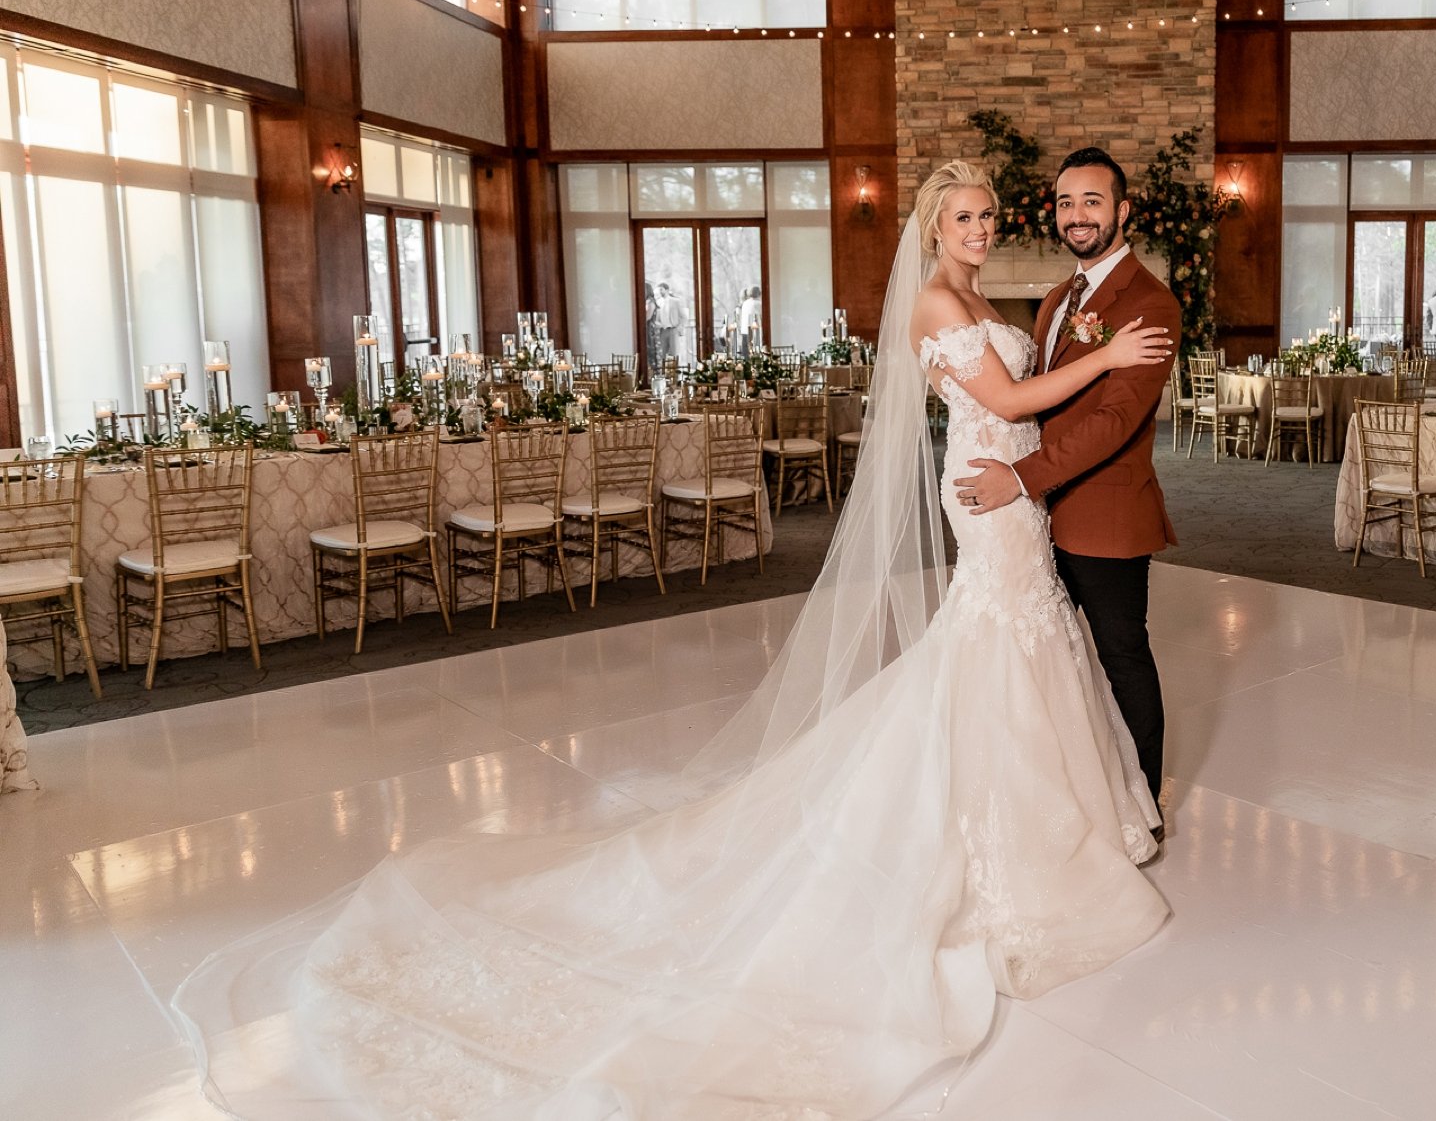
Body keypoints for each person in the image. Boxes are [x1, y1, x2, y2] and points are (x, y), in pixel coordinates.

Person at [171, 159, 1174, 1119]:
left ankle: (1035, 811)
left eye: (991, 214)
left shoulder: (1001, 306)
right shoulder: (940, 309)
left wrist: (1080, 373)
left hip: (1015, 500)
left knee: (1013, 649)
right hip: (991, 495)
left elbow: (1032, 395)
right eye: (964, 216)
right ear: (929, 229)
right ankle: (996, 835)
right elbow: (1002, 403)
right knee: (994, 646)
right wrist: (1103, 358)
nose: (982, 227)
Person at [954, 146, 1182, 827]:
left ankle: (1141, 806)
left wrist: (1020, 477)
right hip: (1039, 518)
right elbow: (1032, 397)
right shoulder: (1057, 299)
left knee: (1120, 656)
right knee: (1056, 659)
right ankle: (1062, 794)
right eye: (1065, 202)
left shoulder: (1150, 302)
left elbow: (1115, 422)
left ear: (1122, 210)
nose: (1077, 215)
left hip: (1106, 516)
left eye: (1091, 201)